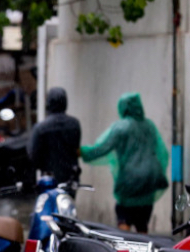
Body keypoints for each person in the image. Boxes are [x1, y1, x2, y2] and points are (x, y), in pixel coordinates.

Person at [79, 92, 169, 233]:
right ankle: (143, 251)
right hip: (150, 181)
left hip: (129, 181)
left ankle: (124, 247)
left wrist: (83, 152)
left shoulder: (121, 128)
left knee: (124, 216)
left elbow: (103, 148)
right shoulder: (150, 126)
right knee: (142, 222)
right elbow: (162, 152)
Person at [28, 87, 82, 183]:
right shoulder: (75, 124)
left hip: (49, 180)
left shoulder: (40, 128)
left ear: (48, 103)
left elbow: (33, 155)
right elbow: (76, 148)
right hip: (70, 178)